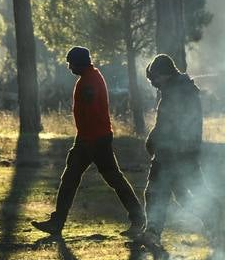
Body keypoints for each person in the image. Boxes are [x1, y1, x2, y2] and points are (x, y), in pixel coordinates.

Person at [31, 46, 145, 236]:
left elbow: (91, 114)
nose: (69, 67)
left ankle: (138, 219)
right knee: (74, 178)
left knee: (108, 179)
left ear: (80, 62)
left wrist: (87, 142)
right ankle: (57, 222)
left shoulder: (89, 82)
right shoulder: (91, 78)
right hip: (90, 138)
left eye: (71, 63)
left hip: (94, 140)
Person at [141, 54, 206, 249]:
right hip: (176, 152)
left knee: (174, 195)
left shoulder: (179, 92)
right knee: (159, 193)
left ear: (164, 74)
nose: (153, 82)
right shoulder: (177, 89)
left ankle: (221, 225)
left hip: (175, 153)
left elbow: (169, 125)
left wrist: (154, 140)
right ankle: (151, 232)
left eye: (155, 78)